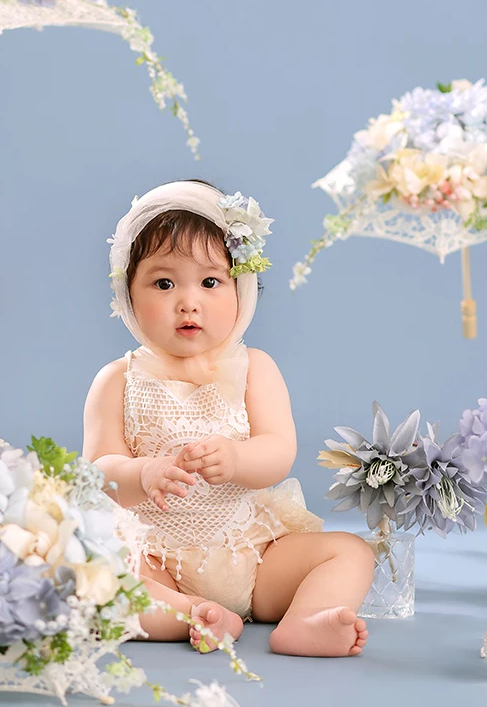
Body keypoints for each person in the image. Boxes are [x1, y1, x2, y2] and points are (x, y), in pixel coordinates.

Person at [83, 180, 373, 657]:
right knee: (98, 575)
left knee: (351, 552)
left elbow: (279, 450)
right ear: (128, 294)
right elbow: (97, 472)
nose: (188, 301)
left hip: (255, 552)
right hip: (155, 555)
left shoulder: (255, 368)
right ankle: (192, 613)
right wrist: (143, 472)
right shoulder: (117, 379)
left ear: (241, 288)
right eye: (163, 283)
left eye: (210, 281)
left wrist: (237, 458)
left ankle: (305, 621)